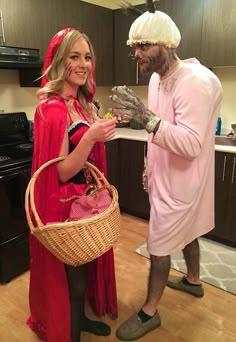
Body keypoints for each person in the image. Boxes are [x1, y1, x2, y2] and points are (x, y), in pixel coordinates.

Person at [111, 2, 223, 340]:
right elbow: (158, 129)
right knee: (190, 233)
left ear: (167, 44)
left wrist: (147, 119)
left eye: (144, 46)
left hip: (182, 185)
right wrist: (143, 135)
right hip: (165, 177)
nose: (137, 55)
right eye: (134, 48)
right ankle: (193, 281)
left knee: (158, 248)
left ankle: (149, 312)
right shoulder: (159, 79)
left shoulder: (195, 82)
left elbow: (189, 143)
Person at [27, 28, 117, 342]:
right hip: (65, 207)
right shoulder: (52, 108)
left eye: (87, 57)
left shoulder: (78, 104)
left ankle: (78, 320)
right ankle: (70, 332)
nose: (83, 64)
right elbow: (62, 172)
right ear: (58, 61)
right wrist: (91, 136)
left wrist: (98, 131)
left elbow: (84, 153)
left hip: (85, 204)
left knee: (84, 271)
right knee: (74, 280)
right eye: (74, 57)